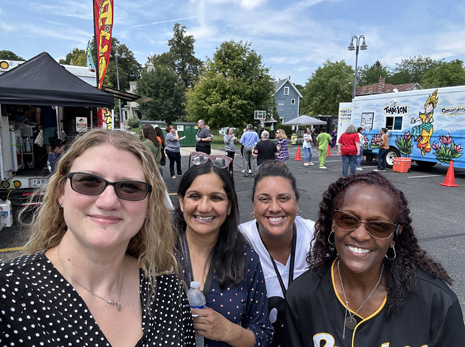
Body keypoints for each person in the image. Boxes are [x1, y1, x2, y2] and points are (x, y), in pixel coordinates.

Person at [0, 129, 195, 345]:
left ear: (149, 205)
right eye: (89, 182)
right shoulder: (8, 292)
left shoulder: (166, 290)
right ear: (60, 192)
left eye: (130, 187)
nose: (108, 201)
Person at [285, 172, 465, 346]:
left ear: (394, 236)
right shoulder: (302, 296)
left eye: (379, 226)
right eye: (348, 219)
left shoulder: (436, 302)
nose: (360, 235)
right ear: (333, 222)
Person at [173, 161, 274, 346]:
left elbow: (264, 334)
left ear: (229, 206)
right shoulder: (155, 255)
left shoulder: (246, 260)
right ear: (181, 201)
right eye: (194, 196)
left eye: (216, 198)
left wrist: (229, 331)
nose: (204, 207)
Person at [239, 160, 315, 346]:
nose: (274, 208)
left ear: (296, 202)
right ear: (254, 205)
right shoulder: (239, 241)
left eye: (283, 198)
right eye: (264, 199)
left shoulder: (316, 237)